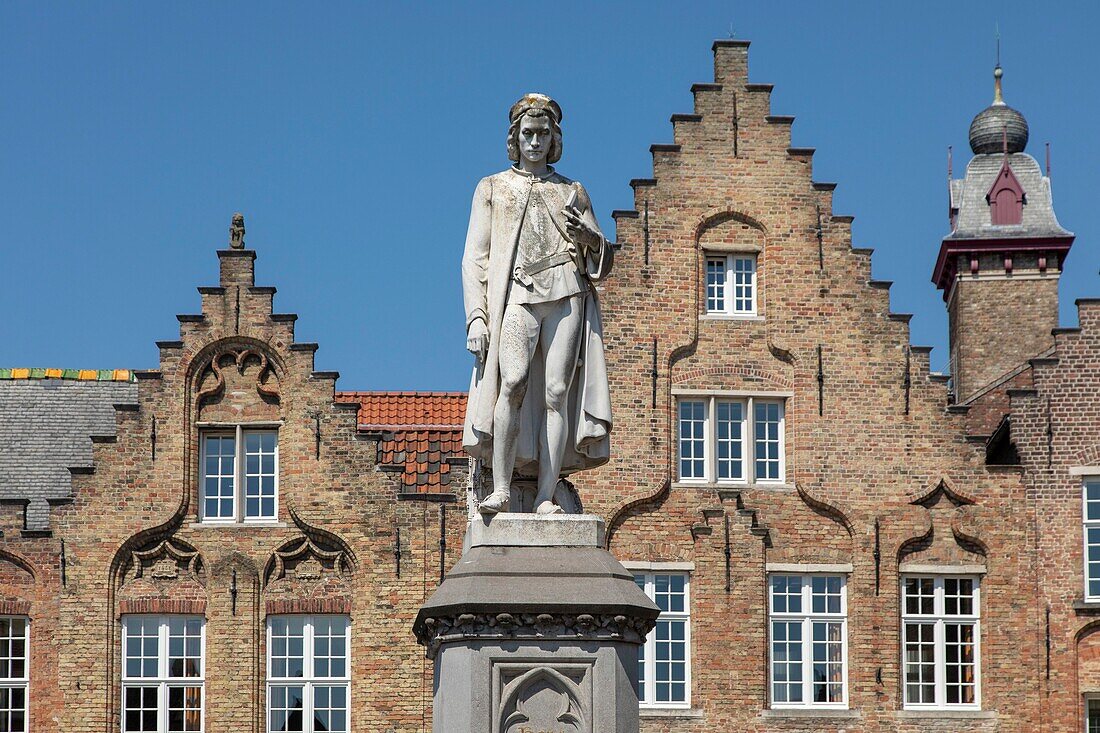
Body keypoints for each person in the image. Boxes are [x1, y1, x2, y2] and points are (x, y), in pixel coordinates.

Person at [461, 93, 613, 515]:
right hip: (518, 295)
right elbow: (475, 257)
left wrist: (590, 239)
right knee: (511, 384)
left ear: (554, 138)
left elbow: (602, 256)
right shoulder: (493, 187)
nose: (535, 141)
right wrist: (476, 316)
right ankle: (502, 487)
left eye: (543, 134)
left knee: (557, 392)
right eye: (527, 133)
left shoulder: (572, 190)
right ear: (515, 137)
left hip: (566, 290)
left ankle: (546, 495)